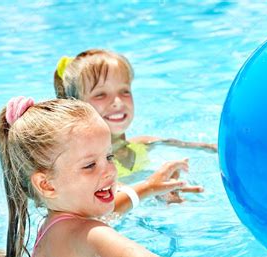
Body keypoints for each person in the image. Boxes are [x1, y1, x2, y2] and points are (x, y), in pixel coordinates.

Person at [0, 96, 267, 257]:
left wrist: (147, 187)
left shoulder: (62, 219)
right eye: (90, 165)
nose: (108, 173)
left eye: (109, 157)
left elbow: (105, 212)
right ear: (46, 185)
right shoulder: (89, 235)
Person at [54, 49, 217, 202]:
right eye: (101, 94)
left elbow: (209, 148)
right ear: (76, 106)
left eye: (124, 91)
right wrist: (154, 190)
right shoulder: (87, 165)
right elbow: (111, 200)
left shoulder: (144, 144)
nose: (117, 102)